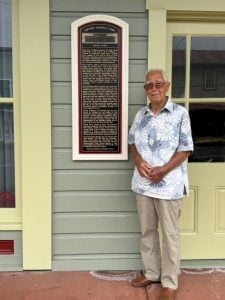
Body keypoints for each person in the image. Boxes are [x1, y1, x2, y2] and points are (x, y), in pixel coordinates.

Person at [128, 69, 193, 300]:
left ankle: (169, 282)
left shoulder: (180, 114)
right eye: (149, 85)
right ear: (146, 89)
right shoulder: (141, 115)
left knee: (170, 234)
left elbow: (186, 149)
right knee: (147, 231)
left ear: (166, 85)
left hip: (169, 185)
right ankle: (152, 272)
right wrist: (138, 163)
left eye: (158, 83)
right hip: (143, 184)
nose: (153, 88)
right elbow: (132, 144)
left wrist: (163, 170)